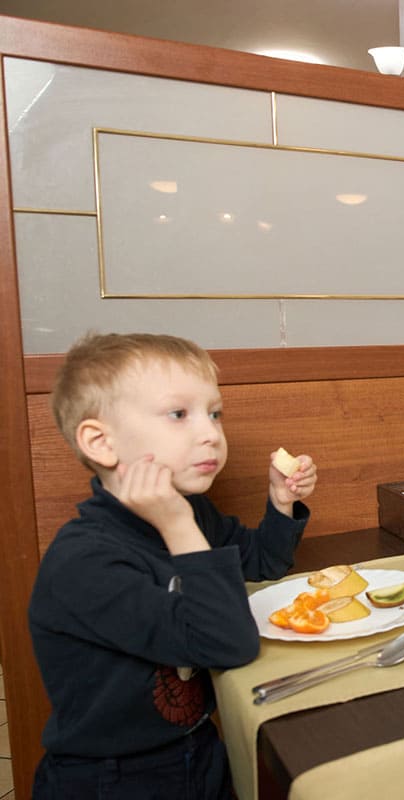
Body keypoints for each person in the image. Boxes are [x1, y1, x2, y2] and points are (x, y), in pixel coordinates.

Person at [29, 332, 318, 799]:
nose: (211, 434)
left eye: (215, 413)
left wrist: (280, 503)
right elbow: (228, 642)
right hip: (114, 779)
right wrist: (178, 525)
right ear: (101, 442)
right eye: (179, 414)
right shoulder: (83, 562)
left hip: (198, 749)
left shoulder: (192, 512)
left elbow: (263, 561)